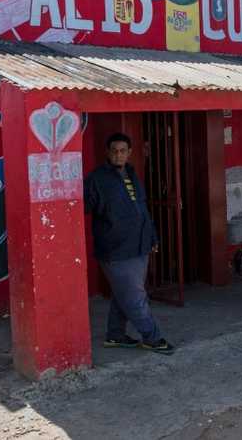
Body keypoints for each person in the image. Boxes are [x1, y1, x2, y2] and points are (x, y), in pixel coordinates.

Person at [84, 132, 174, 355]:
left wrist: (151, 237)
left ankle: (115, 336)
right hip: (115, 249)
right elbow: (81, 207)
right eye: (114, 150)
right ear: (107, 152)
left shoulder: (132, 174)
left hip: (139, 245)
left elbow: (142, 210)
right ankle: (152, 338)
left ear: (129, 153)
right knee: (135, 297)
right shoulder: (96, 179)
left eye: (122, 150)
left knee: (123, 293)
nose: (118, 154)